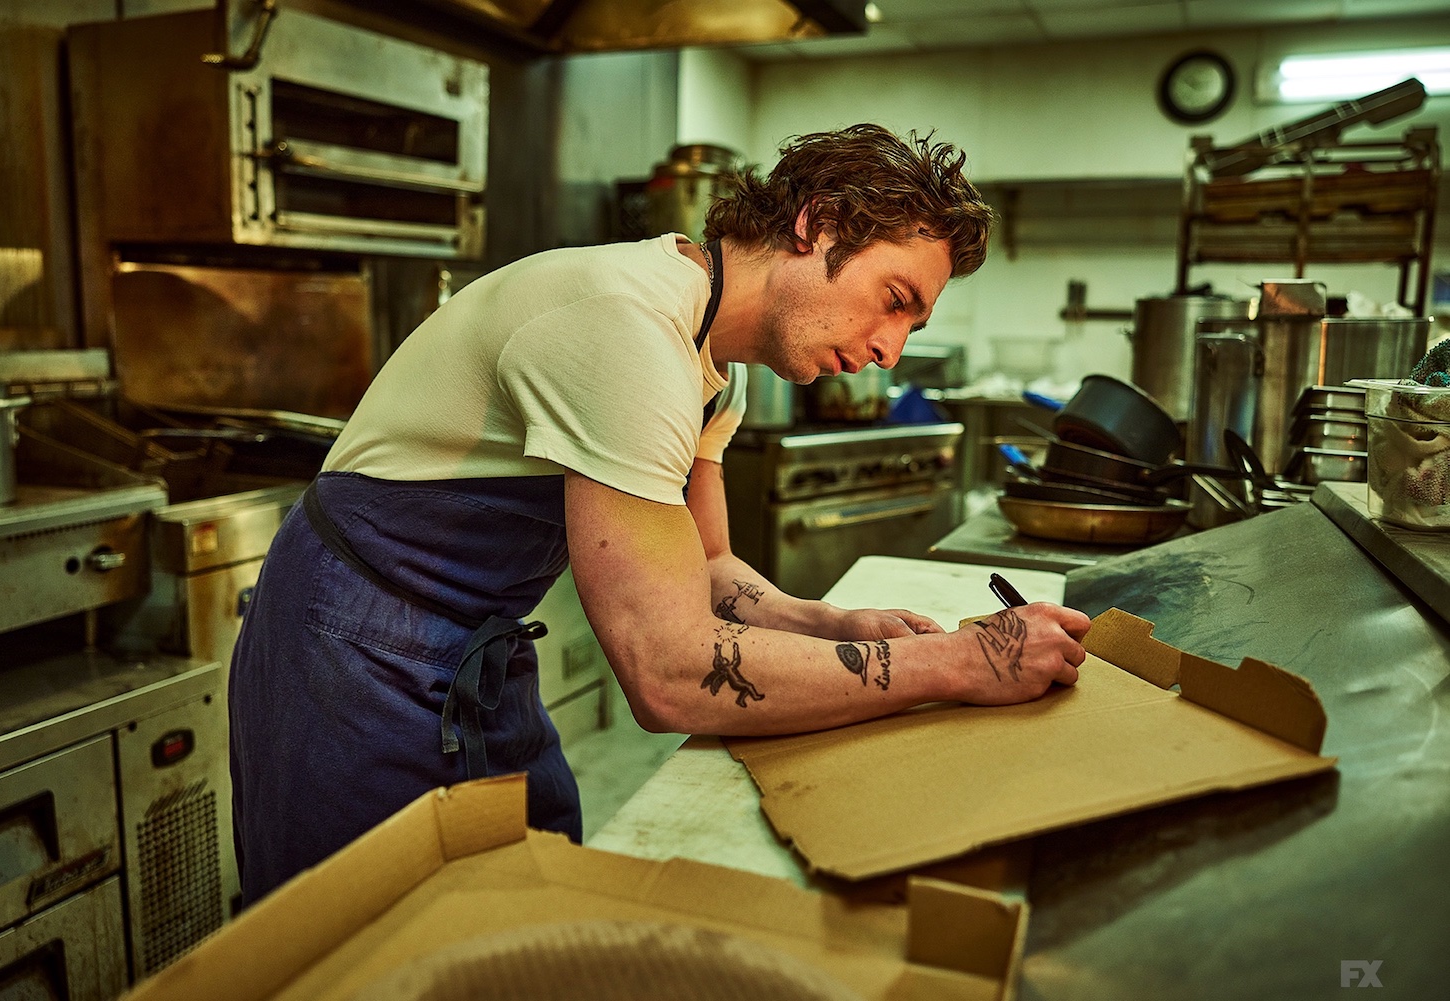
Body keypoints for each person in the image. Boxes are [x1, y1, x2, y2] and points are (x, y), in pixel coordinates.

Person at [228, 123, 1091, 905]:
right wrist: (952, 664)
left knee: (526, 907)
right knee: (373, 938)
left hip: (471, 645)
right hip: (348, 644)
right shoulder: (626, 330)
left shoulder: (716, 363)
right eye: (895, 298)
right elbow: (669, 671)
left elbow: (708, 568)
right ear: (818, 225)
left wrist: (834, 622)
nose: (887, 352)